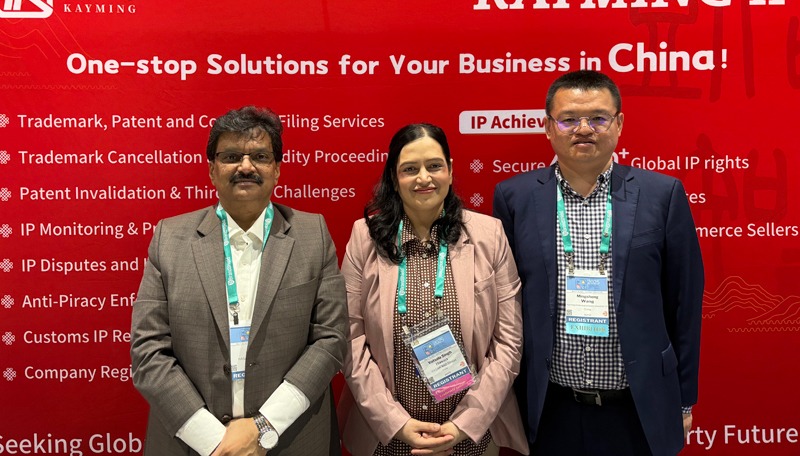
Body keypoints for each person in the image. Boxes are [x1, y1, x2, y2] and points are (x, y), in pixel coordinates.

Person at [493, 70, 704, 456]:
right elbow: (504, 305)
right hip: (550, 407)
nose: (584, 129)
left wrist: (684, 400)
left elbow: (684, 304)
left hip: (637, 408)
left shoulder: (662, 194)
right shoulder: (514, 197)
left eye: (598, 118)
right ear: (548, 127)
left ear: (619, 124)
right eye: (569, 119)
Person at [131, 106, 348, 456]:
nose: (246, 167)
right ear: (212, 170)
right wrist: (216, 443)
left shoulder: (313, 235)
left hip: (290, 440)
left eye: (260, 156)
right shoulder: (169, 238)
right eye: (231, 156)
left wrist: (262, 427)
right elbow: (148, 350)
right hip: (192, 445)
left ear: (277, 169)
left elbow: (331, 339)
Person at [337, 123, 529, 456]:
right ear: (394, 178)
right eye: (410, 169)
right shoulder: (364, 239)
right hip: (387, 438)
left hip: (472, 439)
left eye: (434, 166)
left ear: (450, 171)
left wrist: (463, 425)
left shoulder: (490, 235)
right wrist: (396, 423)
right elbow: (350, 341)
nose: (423, 178)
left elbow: (508, 344)